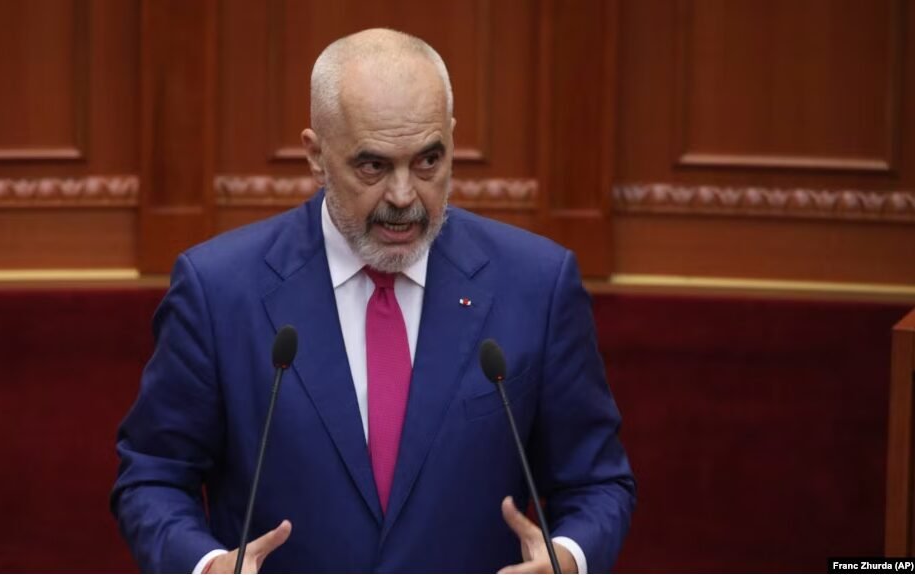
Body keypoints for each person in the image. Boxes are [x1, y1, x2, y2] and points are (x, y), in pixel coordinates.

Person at [111, 28, 635, 574]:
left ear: (452, 141)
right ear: (316, 156)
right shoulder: (219, 290)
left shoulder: (537, 284)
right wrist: (205, 565)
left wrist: (568, 558)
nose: (404, 196)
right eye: (373, 166)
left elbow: (597, 482)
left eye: (428, 161)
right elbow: (151, 476)